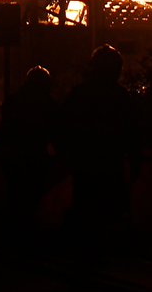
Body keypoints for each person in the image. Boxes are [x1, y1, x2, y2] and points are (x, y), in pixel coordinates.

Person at [56, 44, 143, 242]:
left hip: (86, 166)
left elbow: (62, 127)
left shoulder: (80, 95)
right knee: (110, 212)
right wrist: (135, 162)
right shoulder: (121, 98)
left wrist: (67, 155)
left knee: (87, 210)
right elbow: (134, 133)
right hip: (110, 166)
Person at [0, 64, 60, 230]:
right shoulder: (48, 105)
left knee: (15, 197)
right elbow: (57, 135)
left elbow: (3, 132)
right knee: (32, 199)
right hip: (35, 159)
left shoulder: (14, 101)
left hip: (14, 158)